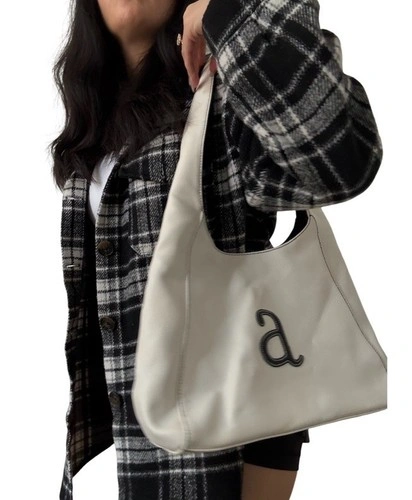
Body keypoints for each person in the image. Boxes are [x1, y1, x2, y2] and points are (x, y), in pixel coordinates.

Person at [50, 1, 383, 499]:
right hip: (124, 445)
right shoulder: (96, 131)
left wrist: (227, 11)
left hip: (227, 441)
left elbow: (339, 159)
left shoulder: (226, 96)